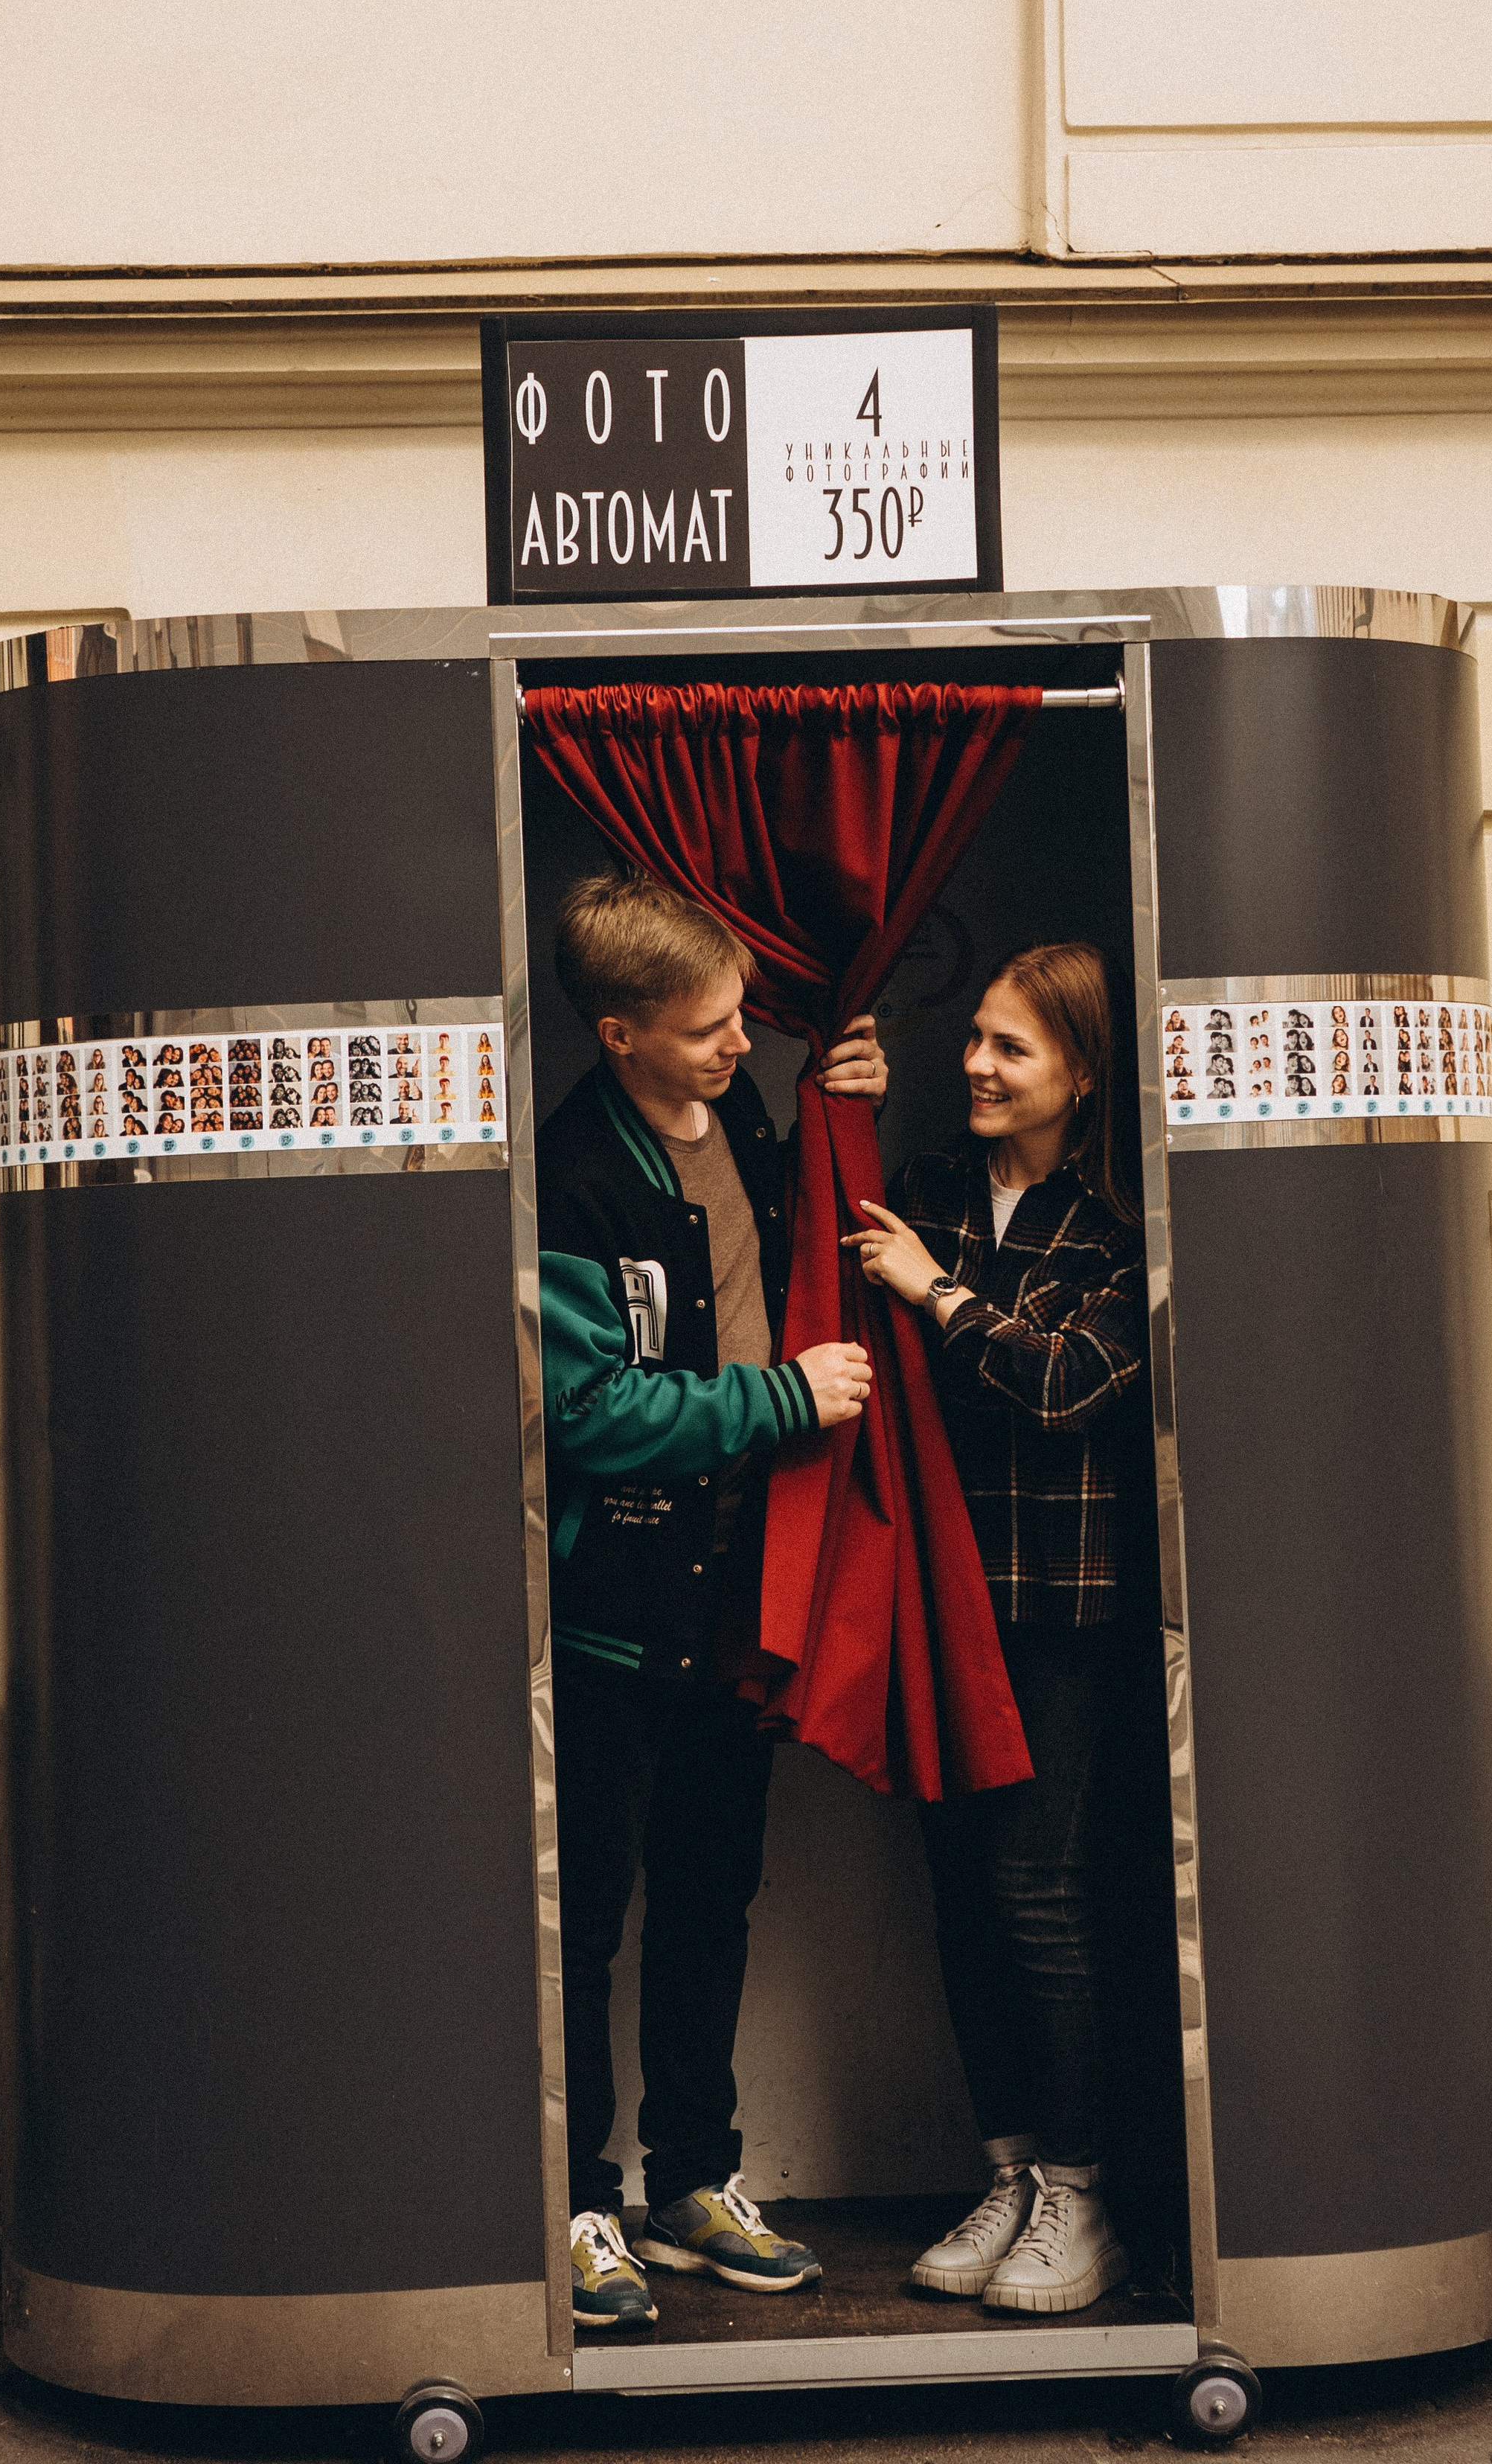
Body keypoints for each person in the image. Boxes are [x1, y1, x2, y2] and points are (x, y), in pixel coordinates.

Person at [537, 871, 884, 2332]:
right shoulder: (568, 1171)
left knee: (707, 1908)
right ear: (619, 1035)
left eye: (742, 1016)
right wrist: (780, 1398)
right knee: (584, 1927)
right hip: (614, 1614)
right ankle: (570, 2204)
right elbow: (584, 1408)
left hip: (739, 1605)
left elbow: (793, 1232)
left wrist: (842, 1092)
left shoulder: (742, 1112)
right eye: (705, 1029)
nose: (737, 1044)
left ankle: (690, 2181)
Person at [842, 941, 1149, 2318]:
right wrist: (833, 1098)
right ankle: (1013, 2172)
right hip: (940, 1594)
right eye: (972, 1037)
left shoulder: (1121, 1223)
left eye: (1010, 1048)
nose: (975, 1064)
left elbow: (1067, 1385)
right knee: (965, 1893)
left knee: (1039, 1889)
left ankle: (1084, 2194)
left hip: (1060, 1610)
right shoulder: (928, 1194)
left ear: (1080, 1075)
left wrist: (935, 1295)